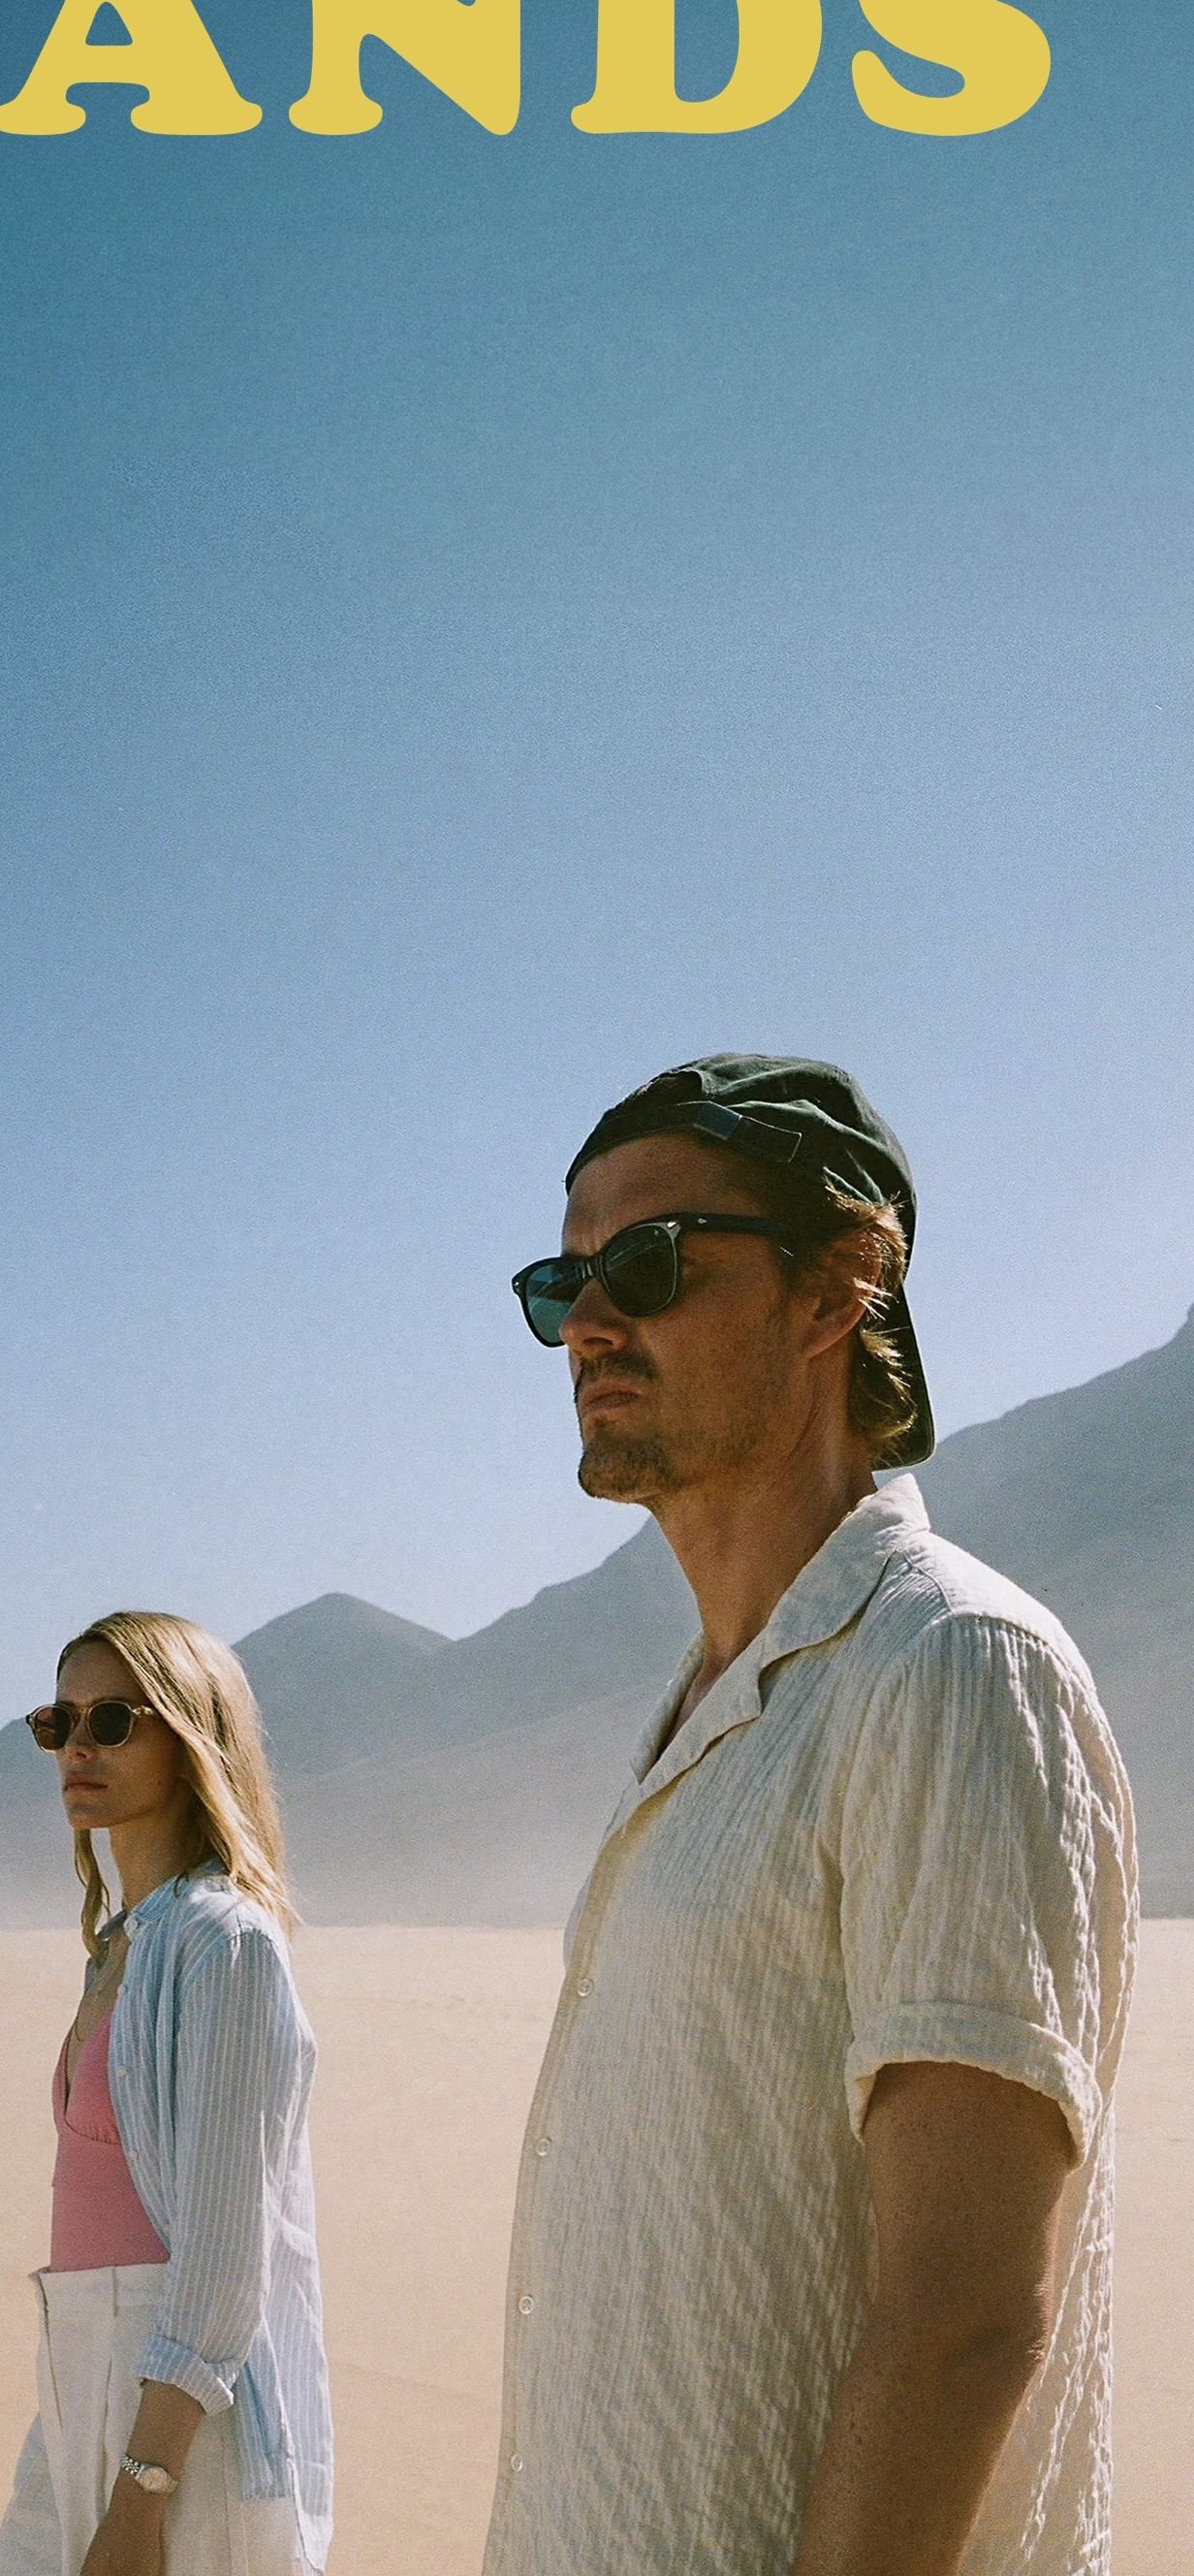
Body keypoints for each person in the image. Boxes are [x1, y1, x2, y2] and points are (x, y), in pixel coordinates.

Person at [485, 1056, 1136, 2576]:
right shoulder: (709, 1709)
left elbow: (963, 2323)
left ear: (840, 1288)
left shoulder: (947, 1668)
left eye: (649, 1263)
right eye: (561, 1283)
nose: (589, 1322)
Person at [0, 1612, 333, 2576]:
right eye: (58, 1722)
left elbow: (224, 2257)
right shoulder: (125, 1944)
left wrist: (141, 2493)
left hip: (182, 2425)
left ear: (189, 1737)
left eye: (112, 1721)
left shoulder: (225, 1944)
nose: (77, 1747)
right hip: (79, 2379)